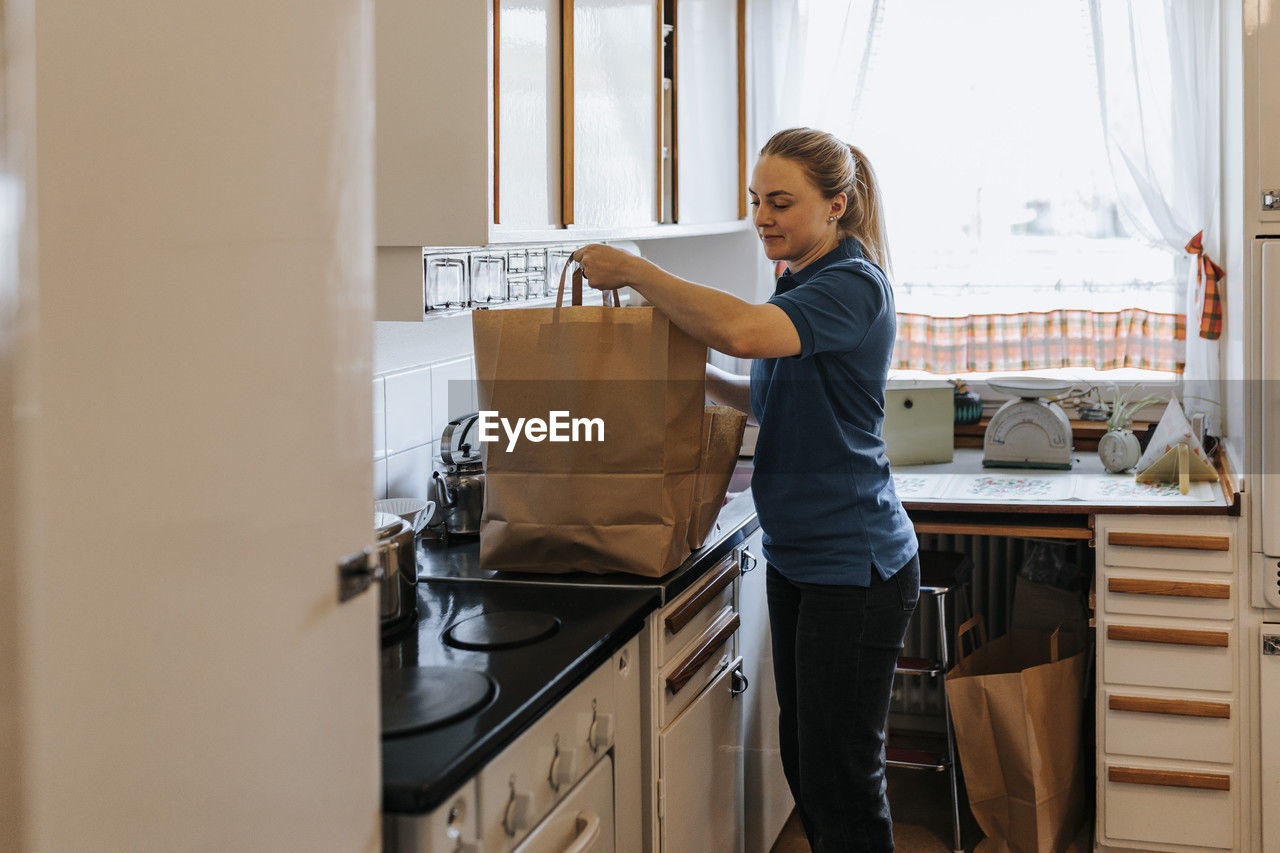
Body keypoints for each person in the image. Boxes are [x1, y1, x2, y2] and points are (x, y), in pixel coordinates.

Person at [572, 126, 920, 853]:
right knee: (808, 762)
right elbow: (765, 393)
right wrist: (677, 363)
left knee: (843, 780)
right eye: (756, 200)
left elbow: (739, 331)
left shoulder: (851, 284)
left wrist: (637, 271)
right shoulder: (799, 279)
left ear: (837, 204)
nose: (763, 216)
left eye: (781, 202)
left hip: (852, 568)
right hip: (803, 559)